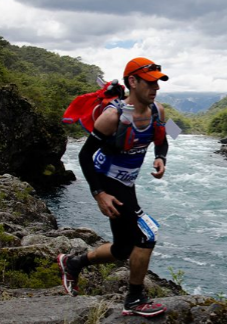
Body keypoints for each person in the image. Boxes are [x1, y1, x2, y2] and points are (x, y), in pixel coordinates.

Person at [57, 57, 170, 318]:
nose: (156, 89)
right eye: (150, 83)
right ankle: (134, 299)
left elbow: (162, 141)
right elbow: (85, 157)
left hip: (127, 184)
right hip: (107, 181)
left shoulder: (158, 112)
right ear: (132, 81)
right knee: (147, 234)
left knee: (122, 249)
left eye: (158, 84)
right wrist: (99, 194)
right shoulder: (113, 116)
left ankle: (72, 263)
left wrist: (161, 157)